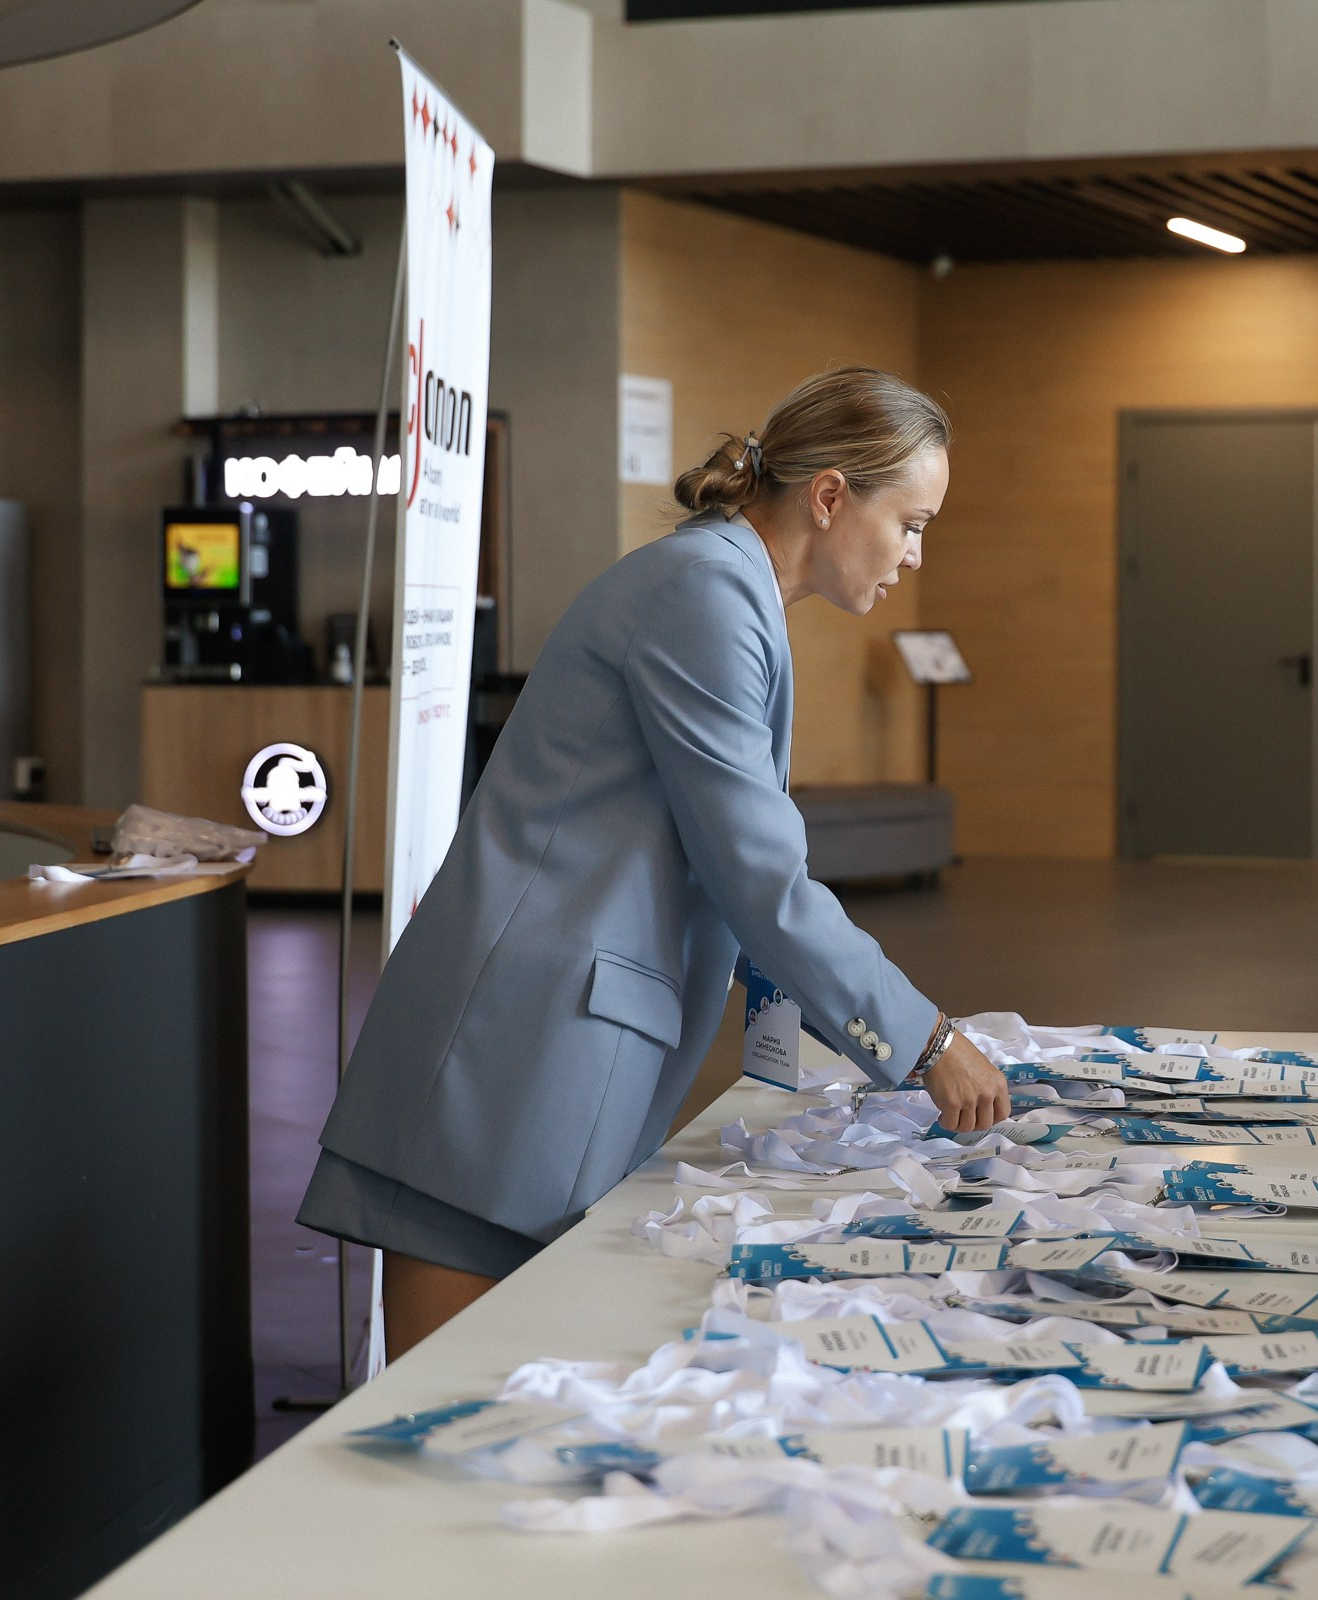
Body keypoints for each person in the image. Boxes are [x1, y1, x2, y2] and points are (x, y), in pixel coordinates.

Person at [299, 366, 1012, 1358]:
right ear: (832, 494)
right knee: (443, 1423)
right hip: (511, 1056)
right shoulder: (703, 595)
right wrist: (926, 1042)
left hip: (548, 1047)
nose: (915, 556)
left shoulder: (729, 592)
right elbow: (759, 874)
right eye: (913, 522)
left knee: (498, 1416)